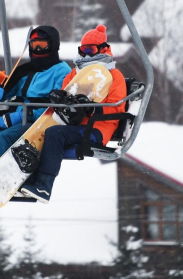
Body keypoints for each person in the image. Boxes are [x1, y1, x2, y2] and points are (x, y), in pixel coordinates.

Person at [0, 26, 71, 221]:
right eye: (34, 45)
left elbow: (58, 106)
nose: (38, 50)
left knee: (2, 139)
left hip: (40, 123)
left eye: (42, 45)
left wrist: (22, 115)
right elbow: (4, 90)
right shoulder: (25, 70)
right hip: (16, 119)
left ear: (53, 45)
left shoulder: (62, 72)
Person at [20, 24, 127, 203]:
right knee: (34, 133)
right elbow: (65, 94)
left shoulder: (115, 76)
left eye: (90, 49)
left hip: (97, 128)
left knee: (54, 134)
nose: (86, 54)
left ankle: (44, 186)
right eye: (82, 49)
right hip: (74, 124)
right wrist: (58, 97)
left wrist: (92, 107)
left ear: (103, 49)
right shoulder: (74, 74)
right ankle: (27, 180)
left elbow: (116, 108)